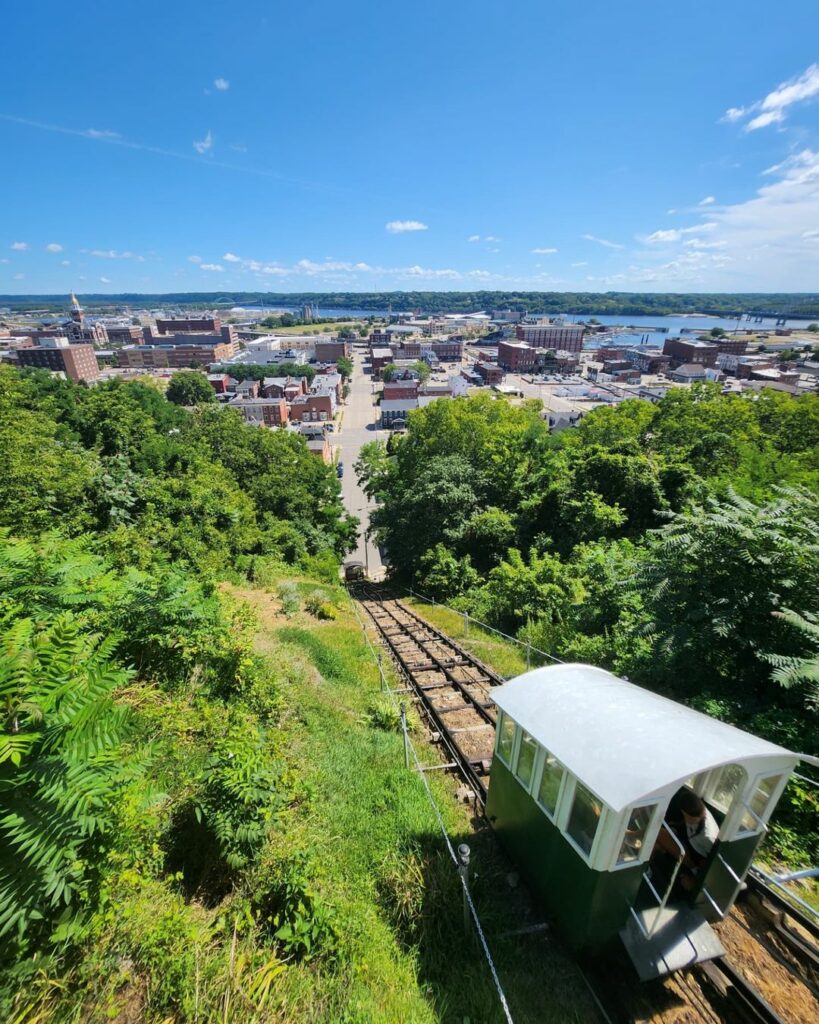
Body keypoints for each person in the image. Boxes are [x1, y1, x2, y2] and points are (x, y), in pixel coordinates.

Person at [651, 786, 719, 891]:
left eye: (691, 819)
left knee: (659, 834)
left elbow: (712, 863)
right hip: (688, 844)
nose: (689, 820)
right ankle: (647, 869)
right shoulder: (695, 811)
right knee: (656, 844)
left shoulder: (708, 836)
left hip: (693, 859)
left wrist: (695, 877)